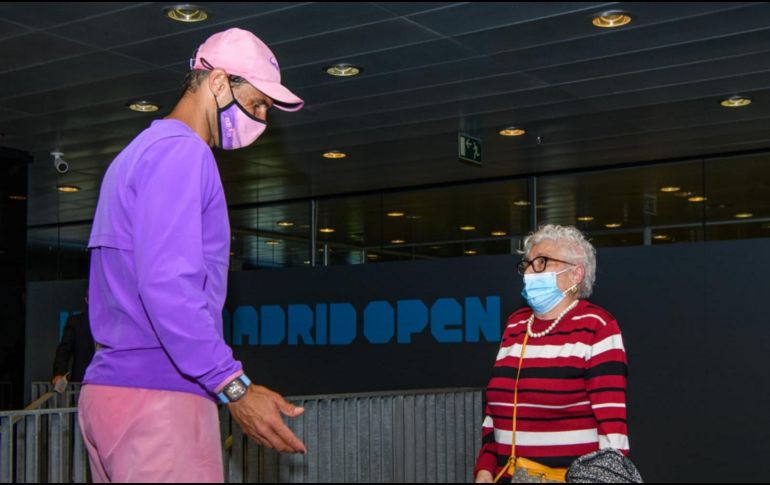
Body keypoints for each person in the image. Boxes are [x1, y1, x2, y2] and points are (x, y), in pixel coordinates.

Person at [78, 28, 307, 483]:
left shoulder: (136, 153)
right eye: (258, 104)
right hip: (160, 399)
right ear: (218, 83)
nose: (261, 120)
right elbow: (168, 285)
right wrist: (234, 386)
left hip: (110, 395)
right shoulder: (185, 153)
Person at [474, 225, 629, 483]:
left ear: (576, 274)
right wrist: (485, 469)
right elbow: (495, 411)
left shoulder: (597, 326)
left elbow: (612, 429)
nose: (529, 272)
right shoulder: (515, 325)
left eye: (542, 262)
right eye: (527, 264)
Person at [51, 289, 95, 392]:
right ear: (86, 300)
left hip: (108, 385)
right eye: (92, 298)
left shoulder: (113, 322)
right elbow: (64, 350)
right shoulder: (76, 322)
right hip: (81, 384)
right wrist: (60, 373)